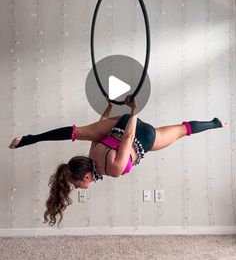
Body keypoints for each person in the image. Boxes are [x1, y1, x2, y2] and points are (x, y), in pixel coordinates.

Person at [9, 95, 227, 227]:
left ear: (86, 176)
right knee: (82, 131)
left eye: (77, 185)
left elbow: (129, 139)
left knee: (182, 131)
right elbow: (100, 124)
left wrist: (135, 111)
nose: (79, 187)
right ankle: (216, 123)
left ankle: (216, 123)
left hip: (142, 136)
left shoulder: (112, 169)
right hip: (120, 123)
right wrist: (110, 109)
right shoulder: (92, 154)